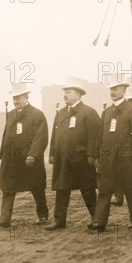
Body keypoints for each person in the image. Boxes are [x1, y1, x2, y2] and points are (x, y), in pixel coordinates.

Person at [0, 83, 49, 228]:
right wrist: (3, 154)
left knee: (36, 187)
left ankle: (43, 215)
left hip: (29, 159)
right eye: (14, 99)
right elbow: (6, 135)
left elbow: (40, 137)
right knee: (8, 187)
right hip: (11, 160)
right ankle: (5, 219)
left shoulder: (37, 114)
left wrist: (33, 155)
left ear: (26, 97)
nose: (16, 101)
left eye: (19, 98)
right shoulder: (10, 114)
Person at [47, 78, 101, 230]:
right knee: (61, 189)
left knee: (88, 189)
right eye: (64, 92)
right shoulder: (61, 113)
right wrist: (52, 153)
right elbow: (54, 135)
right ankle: (59, 220)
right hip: (63, 159)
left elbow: (95, 136)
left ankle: (97, 218)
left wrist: (91, 156)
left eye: (68, 92)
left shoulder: (88, 112)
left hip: (81, 160)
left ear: (78, 94)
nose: (65, 95)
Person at [90, 80, 132, 232]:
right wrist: (97, 155)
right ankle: (100, 221)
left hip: (126, 158)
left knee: (130, 189)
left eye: (115, 89)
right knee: (104, 189)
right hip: (107, 159)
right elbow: (100, 136)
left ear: (123, 90)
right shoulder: (106, 111)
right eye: (111, 89)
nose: (112, 92)